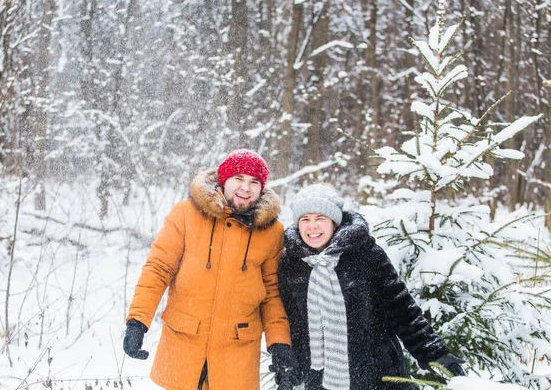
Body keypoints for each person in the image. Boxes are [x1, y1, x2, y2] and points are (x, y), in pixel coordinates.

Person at [122, 149, 298, 390]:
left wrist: (279, 345)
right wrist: (137, 322)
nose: (245, 188)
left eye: (254, 182)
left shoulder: (271, 231)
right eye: (239, 178)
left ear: (262, 188)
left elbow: (272, 294)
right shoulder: (186, 214)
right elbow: (158, 269)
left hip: (236, 352)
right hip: (184, 343)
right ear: (224, 180)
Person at [277, 183, 466, 390]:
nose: (312, 226)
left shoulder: (365, 254)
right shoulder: (291, 264)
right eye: (305, 219)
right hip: (321, 379)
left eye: (320, 218)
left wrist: (434, 352)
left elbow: (401, 308)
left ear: (334, 222)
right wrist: (291, 366)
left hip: (379, 373)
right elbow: (294, 324)